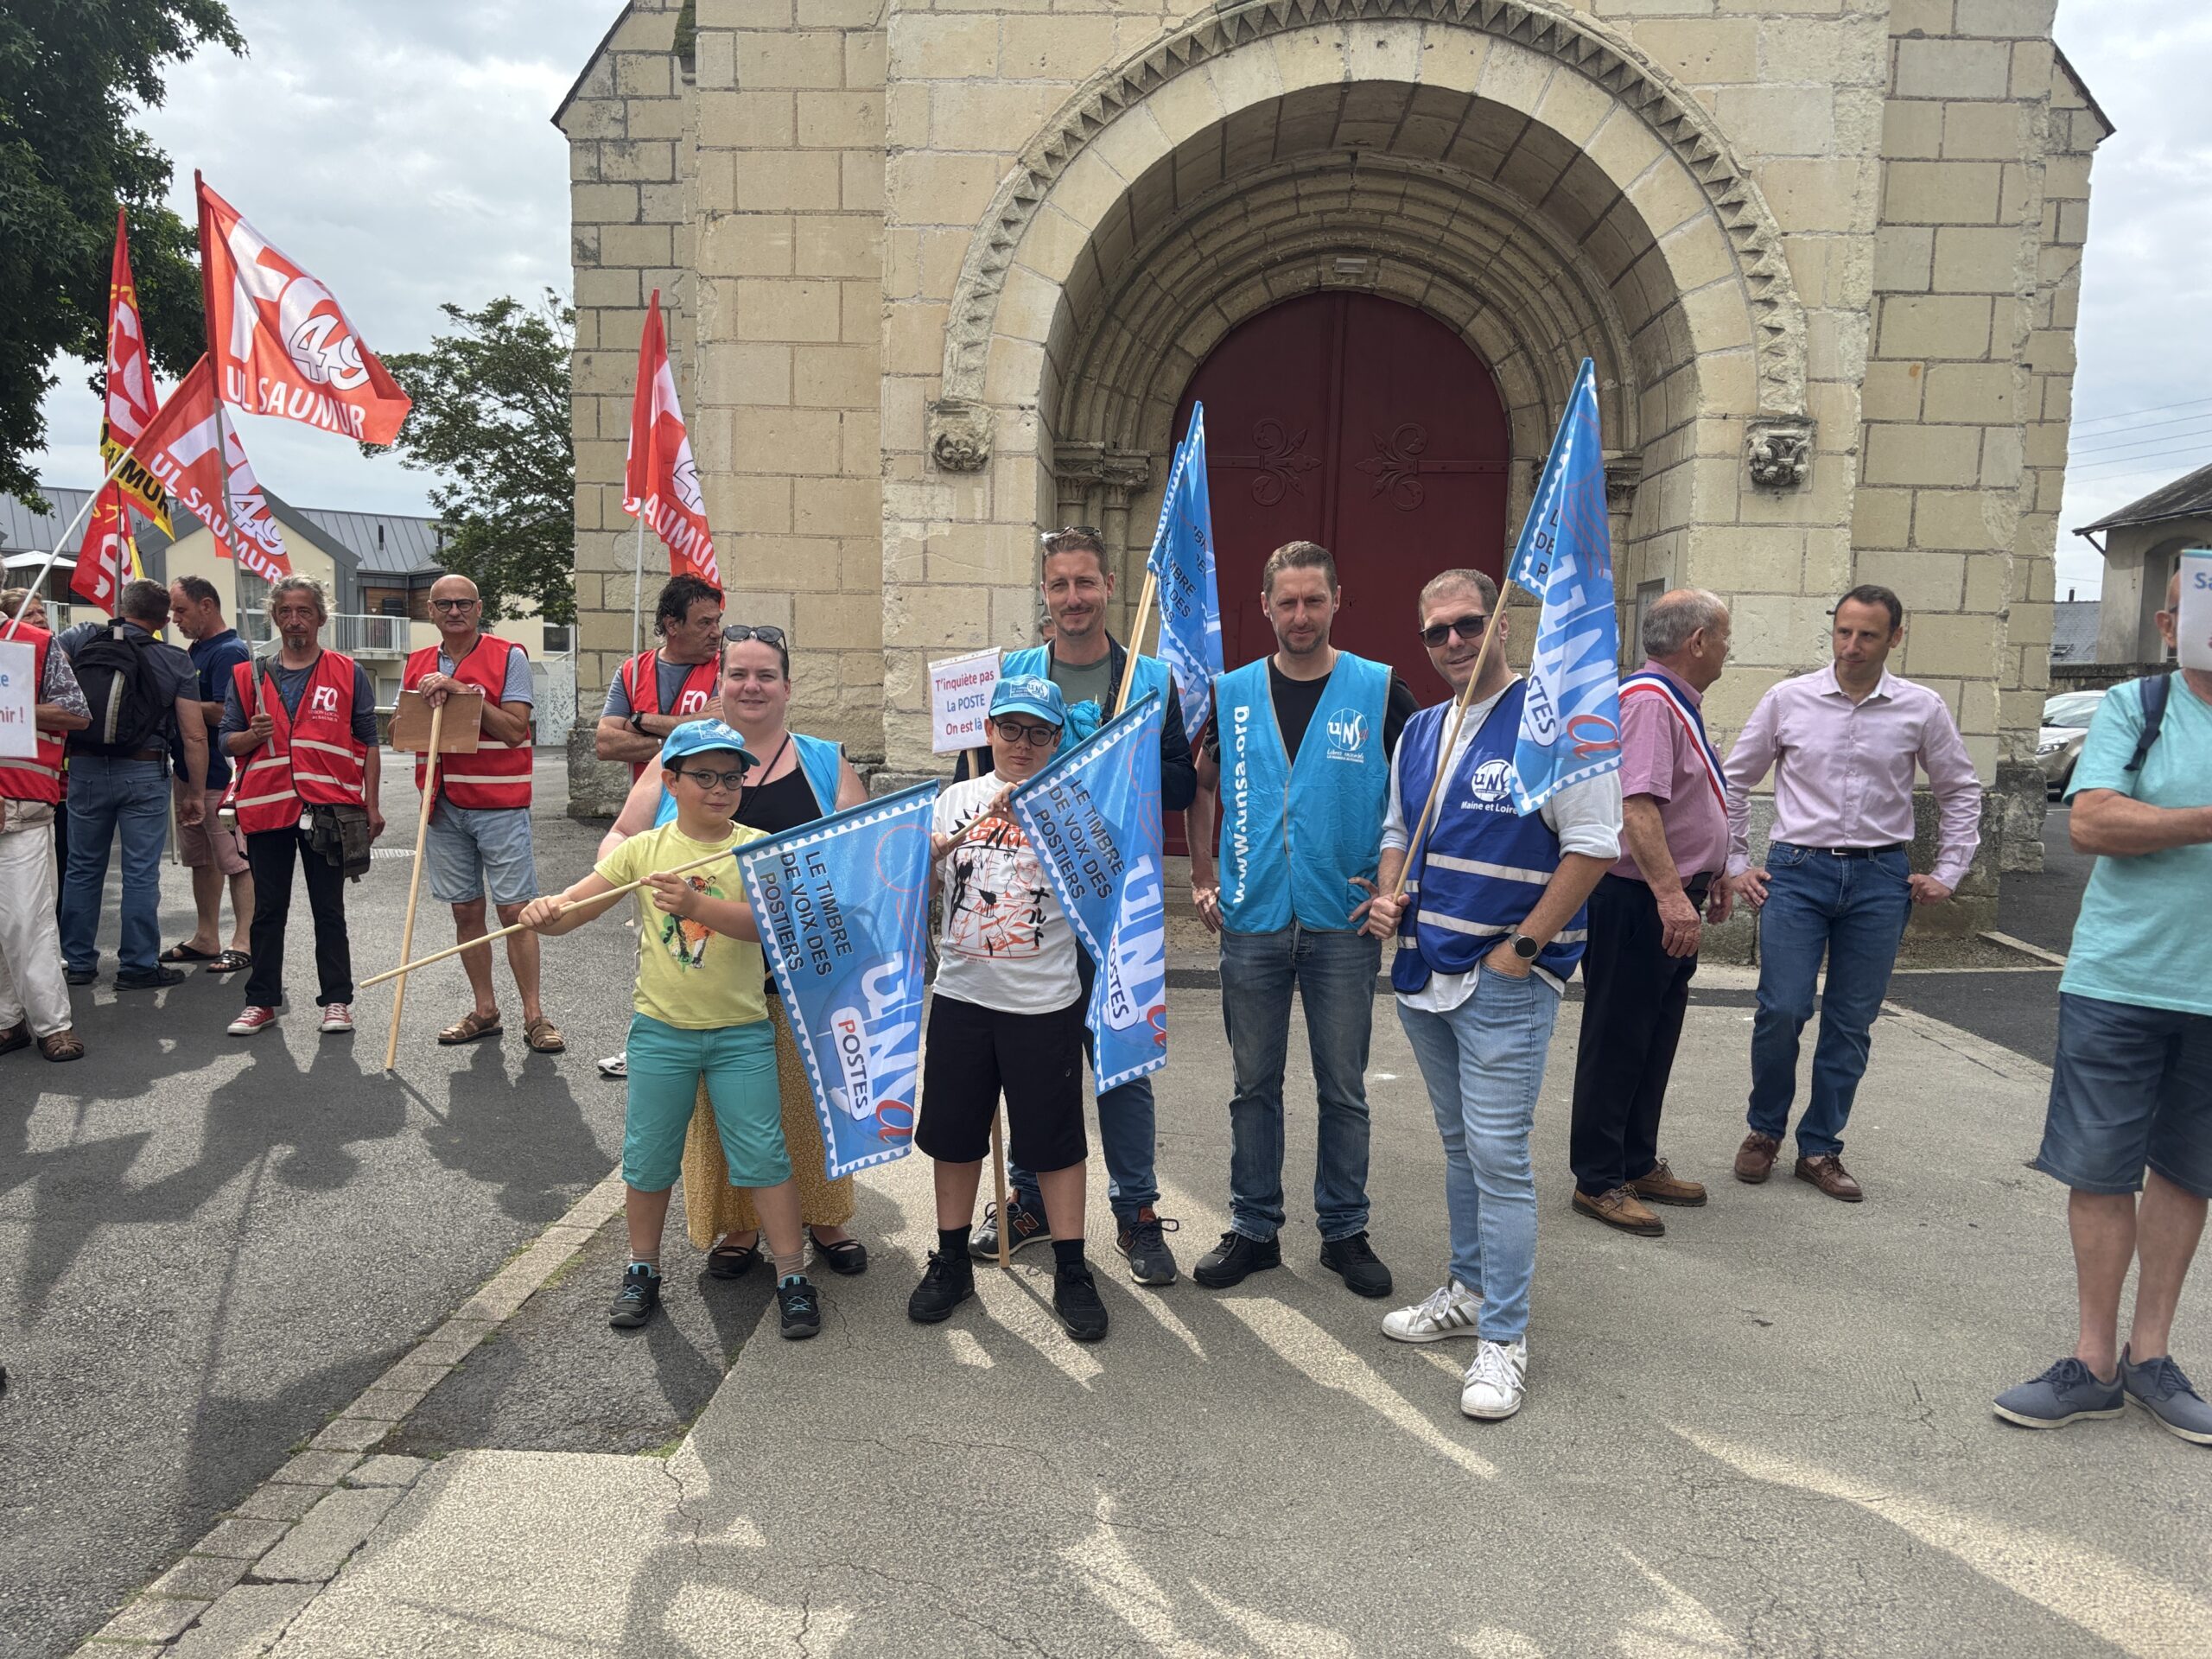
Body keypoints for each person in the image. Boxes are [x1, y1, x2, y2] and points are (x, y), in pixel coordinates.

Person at [1357, 570, 1619, 1421]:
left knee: (1500, 1160)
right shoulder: (1424, 729)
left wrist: (1522, 952)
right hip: (1423, 969)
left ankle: (1504, 1336)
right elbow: (1399, 830)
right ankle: (1467, 1290)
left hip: (1502, 979)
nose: (1453, 643)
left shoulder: (1559, 723)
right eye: (1436, 632)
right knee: (1460, 1147)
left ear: (1502, 623)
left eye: (1468, 624)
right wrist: (1391, 891)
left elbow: (1591, 846)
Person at [1996, 570, 2212, 1444]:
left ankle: (2150, 1356)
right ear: (2170, 622)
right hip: (2118, 978)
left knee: (2190, 1171)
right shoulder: (2133, 705)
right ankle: (2092, 1361)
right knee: (2099, 1165)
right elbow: (2090, 823)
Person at [522, 722, 823, 1340]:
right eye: (704, 776)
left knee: (765, 1154)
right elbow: (575, 910)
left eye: (732, 777)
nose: (720, 788)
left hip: (742, 1031)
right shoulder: (643, 850)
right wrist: (544, 914)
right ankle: (642, 1268)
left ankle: (793, 1274)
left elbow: (774, 928)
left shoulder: (758, 849)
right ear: (672, 781)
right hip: (661, 1033)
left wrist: (697, 907)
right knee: (649, 1155)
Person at [956, 527, 1198, 1285]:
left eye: (1085, 584)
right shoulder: (1014, 671)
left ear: (1108, 586)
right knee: (1038, 1064)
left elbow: (1186, 787)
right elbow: (972, 769)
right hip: (1026, 909)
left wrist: (1126, 763)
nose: (1072, 600)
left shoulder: (1151, 679)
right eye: (1058, 585)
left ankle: (1137, 1212)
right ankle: (1026, 1200)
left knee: (1121, 1063)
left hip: (1114, 909)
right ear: (1045, 593)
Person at [600, 623, 872, 1276]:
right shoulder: (681, 761)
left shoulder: (825, 761)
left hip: (805, 972)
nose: (752, 686)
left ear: (787, 687)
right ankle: (737, 1226)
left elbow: (859, 856)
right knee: (725, 1122)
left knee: (806, 1107)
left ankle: (826, 1217)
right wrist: (631, 877)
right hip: (707, 973)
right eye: (739, 674)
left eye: (765, 675)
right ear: (719, 686)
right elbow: (620, 838)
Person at [1185, 540, 1418, 1299]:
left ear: (1337, 600)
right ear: (1264, 607)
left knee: (1342, 1085)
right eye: (1286, 601)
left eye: (1313, 600)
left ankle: (1344, 1231)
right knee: (1253, 1084)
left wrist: (1396, 885)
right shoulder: (1232, 692)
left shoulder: (1380, 691)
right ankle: (1254, 1228)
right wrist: (1205, 874)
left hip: (1342, 924)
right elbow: (1202, 784)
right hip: (1252, 920)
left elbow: (1418, 801)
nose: (1300, 616)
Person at [1723, 584, 1981, 1203]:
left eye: (1867, 635)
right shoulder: (1790, 699)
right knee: (1782, 1008)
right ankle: (1765, 1130)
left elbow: (1960, 790)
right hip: (1798, 871)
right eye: (1843, 632)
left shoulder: (1921, 708)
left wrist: (1948, 869)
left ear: (1895, 636)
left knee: (1851, 1020)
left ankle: (1820, 1147)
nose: (1852, 646)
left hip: (1879, 878)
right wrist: (1735, 861)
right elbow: (1734, 780)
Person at [907, 675, 1109, 1342]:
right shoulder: (952, 801)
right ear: (988, 730)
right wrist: (932, 852)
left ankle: (1072, 1267)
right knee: (954, 1135)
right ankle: (950, 1259)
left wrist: (1050, 828)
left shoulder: (1074, 802)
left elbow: (1102, 894)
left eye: (1039, 732)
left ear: (1057, 739)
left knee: (1054, 1141)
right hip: (964, 997)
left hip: (1045, 1003)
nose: (1023, 744)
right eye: (1011, 729)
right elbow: (909, 891)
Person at [1567, 589, 1735, 1236]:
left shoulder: (1672, 701)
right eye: (1723, 636)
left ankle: (1635, 1159)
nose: (1726, 649)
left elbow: (1684, 802)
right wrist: (1670, 893)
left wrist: (1710, 871)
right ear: (1696, 641)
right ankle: (1599, 1178)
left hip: (1666, 894)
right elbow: (1637, 807)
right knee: (1618, 1037)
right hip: (1639, 899)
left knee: (1652, 1036)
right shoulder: (1648, 702)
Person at [403, 575, 562, 1053]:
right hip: (442, 803)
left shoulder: (508, 655)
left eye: (464, 603)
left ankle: (534, 1015)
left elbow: (515, 730)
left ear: (479, 608)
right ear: (430, 611)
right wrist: (412, 712)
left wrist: (462, 691)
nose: (454, 611)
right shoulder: (415, 664)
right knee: (465, 909)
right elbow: (403, 731)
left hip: (499, 804)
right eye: (444, 604)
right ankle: (486, 1010)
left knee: (517, 912)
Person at [220, 575, 385, 1037]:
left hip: (329, 811)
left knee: (328, 909)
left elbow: (369, 742)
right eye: (286, 611)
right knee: (268, 911)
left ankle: (337, 1001)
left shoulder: (347, 672)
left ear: (321, 617)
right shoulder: (247, 675)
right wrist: (250, 736)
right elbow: (225, 742)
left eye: (304, 611)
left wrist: (372, 805)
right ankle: (261, 1002)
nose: (295, 620)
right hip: (268, 808)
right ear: (275, 617)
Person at [56, 579, 207, 989]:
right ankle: (138, 965)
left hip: (84, 768)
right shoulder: (174, 660)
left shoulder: (82, 641)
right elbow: (194, 735)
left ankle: (79, 961)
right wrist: (194, 792)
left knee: (83, 868)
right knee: (140, 872)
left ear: (122, 607)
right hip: (143, 770)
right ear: (162, 620)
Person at [0, 606, 90, 1061]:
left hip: (20, 806)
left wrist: (14, 706)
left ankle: (53, 1024)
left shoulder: (35, 643)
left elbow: (76, 714)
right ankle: (6, 1021)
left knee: (26, 919)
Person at [160, 575, 255, 976]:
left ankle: (244, 940)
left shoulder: (230, 651)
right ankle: (206, 936)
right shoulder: (197, 650)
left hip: (220, 774)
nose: (174, 619)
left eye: (181, 610)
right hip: (190, 773)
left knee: (236, 861)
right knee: (202, 860)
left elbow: (226, 710)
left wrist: (176, 703)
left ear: (206, 606)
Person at [594, 575, 723, 779]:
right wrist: (685, 733)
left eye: (717, 621)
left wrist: (641, 721)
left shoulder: (727, 669)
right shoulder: (632, 671)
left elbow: (719, 728)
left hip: (703, 806)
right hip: (646, 805)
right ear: (672, 626)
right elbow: (605, 744)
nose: (716, 633)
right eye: (704, 623)